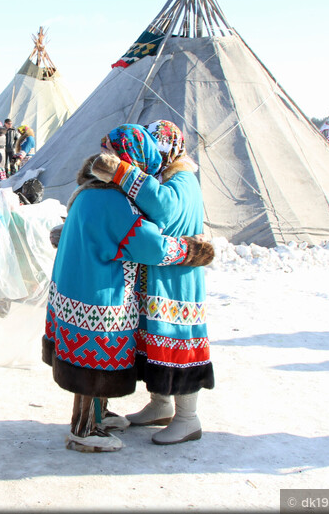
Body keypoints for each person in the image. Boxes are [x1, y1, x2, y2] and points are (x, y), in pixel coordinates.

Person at [44, 123, 214, 452]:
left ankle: (103, 414)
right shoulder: (113, 200)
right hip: (100, 297)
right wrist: (193, 250)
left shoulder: (89, 191)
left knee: (92, 361)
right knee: (93, 365)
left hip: (80, 294)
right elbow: (148, 246)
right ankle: (85, 429)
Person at [90, 120, 213, 445]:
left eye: (157, 149)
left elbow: (165, 209)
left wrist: (123, 173)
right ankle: (161, 404)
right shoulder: (164, 178)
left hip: (177, 281)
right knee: (155, 344)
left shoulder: (183, 180)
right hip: (158, 275)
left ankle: (188, 418)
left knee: (177, 344)